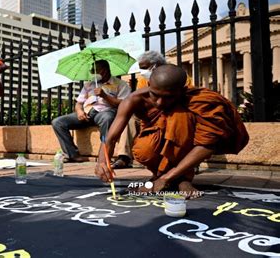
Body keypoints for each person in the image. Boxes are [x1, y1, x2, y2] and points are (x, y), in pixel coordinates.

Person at [95, 65, 249, 199]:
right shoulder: (134, 100)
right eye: (155, 95)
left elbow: (207, 143)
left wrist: (167, 178)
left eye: (168, 97)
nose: (160, 102)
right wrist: (102, 161)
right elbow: (111, 138)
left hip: (186, 141)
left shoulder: (197, 100)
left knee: (179, 118)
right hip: (155, 137)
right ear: (149, 85)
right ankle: (160, 175)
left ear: (182, 91)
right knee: (143, 150)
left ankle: (181, 179)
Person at [111, 51, 193, 169]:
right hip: (149, 115)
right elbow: (139, 101)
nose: (142, 72)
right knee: (129, 118)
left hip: (172, 113)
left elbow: (187, 99)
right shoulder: (143, 80)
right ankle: (124, 157)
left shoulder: (176, 76)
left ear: (155, 66)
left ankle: (185, 162)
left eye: (144, 68)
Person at [52, 60, 131, 163]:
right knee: (58, 122)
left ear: (104, 71)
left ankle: (105, 155)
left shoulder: (120, 84)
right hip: (87, 113)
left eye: (95, 70)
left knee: (107, 119)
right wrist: (80, 111)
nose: (92, 73)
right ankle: (72, 155)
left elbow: (122, 104)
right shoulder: (88, 84)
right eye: (92, 70)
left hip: (105, 112)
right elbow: (79, 103)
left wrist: (104, 96)